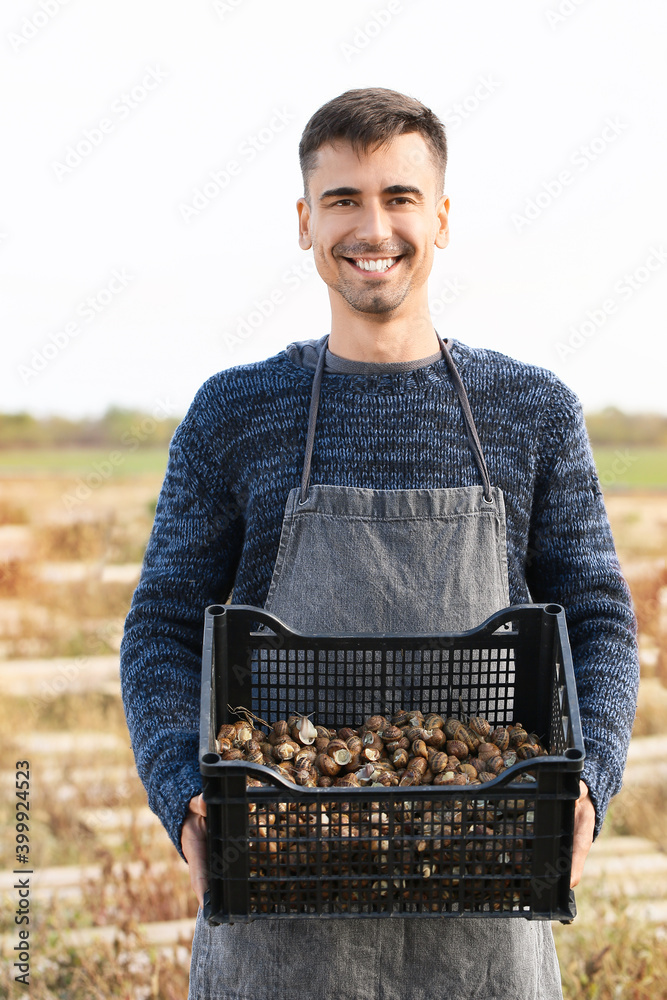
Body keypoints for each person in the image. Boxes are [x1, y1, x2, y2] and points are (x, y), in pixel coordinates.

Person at [120, 87, 639, 1000]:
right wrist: (184, 789)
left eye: (399, 197)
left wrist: (588, 779)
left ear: (440, 218)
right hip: (281, 911)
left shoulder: (532, 411)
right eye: (342, 200)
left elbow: (597, 617)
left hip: (486, 907)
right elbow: (161, 627)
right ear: (303, 222)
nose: (373, 227)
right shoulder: (236, 412)